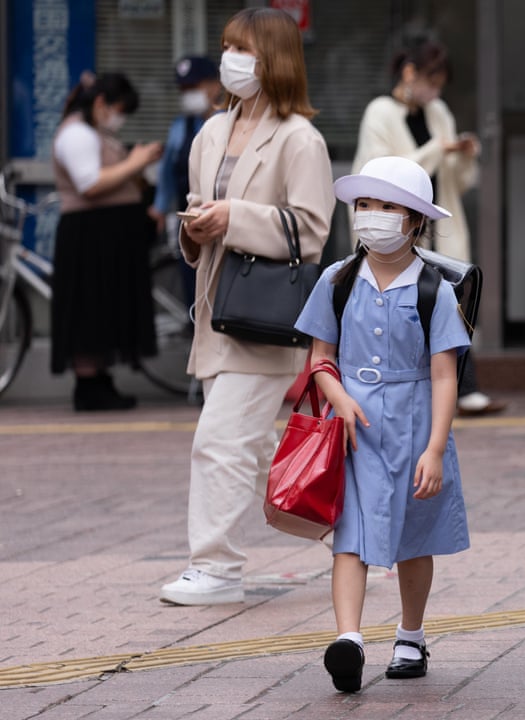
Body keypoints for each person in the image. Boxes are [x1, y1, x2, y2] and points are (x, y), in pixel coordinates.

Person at [159, 7, 335, 606]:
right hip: (216, 312)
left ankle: (216, 569)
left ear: (274, 60)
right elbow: (197, 211)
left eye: (244, 50)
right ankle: (348, 532)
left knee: (222, 441)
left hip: (263, 318)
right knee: (258, 447)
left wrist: (232, 218)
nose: (231, 60)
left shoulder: (299, 139)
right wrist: (195, 228)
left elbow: (311, 230)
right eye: (228, 47)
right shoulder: (211, 132)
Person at [294, 156, 471, 694]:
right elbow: (319, 357)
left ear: (416, 220)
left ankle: (410, 635)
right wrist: (338, 396)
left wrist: (436, 448)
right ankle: (349, 639)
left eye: (388, 206)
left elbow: (444, 375)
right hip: (353, 430)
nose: (373, 216)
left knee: (416, 536)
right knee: (350, 533)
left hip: (416, 424)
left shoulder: (434, 288)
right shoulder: (338, 279)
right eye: (364, 205)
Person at [350, 40, 502, 416]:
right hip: (393, 227)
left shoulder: (438, 111)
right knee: (396, 305)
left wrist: (463, 156)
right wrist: (439, 148)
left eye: (440, 83)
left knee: (450, 304)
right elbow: (382, 172)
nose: (434, 91)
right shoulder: (380, 112)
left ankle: (464, 387)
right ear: (409, 73)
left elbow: (457, 181)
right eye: (430, 80)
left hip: (435, 225)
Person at [50, 71, 163, 411]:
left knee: (104, 309)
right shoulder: (77, 135)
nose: (120, 118)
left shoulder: (92, 132)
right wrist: (136, 162)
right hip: (89, 238)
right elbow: (90, 184)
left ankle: (100, 379)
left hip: (106, 237)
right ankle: (89, 385)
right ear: (101, 103)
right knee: (90, 309)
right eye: (119, 109)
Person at [148, 55, 223, 307]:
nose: (188, 94)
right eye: (183, 89)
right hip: (189, 214)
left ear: (215, 84)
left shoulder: (229, 122)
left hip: (222, 215)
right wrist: (160, 207)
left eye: (194, 87)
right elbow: (168, 170)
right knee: (192, 280)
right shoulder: (180, 126)